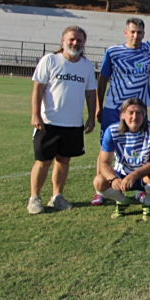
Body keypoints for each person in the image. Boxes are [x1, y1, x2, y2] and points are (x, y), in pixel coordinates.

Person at [91, 18, 150, 206]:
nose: (135, 36)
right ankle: (102, 190)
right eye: (132, 32)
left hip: (139, 110)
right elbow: (103, 79)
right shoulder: (113, 52)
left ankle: (140, 188)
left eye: (139, 32)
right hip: (114, 108)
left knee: (142, 147)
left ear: (144, 34)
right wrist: (99, 107)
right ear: (125, 33)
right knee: (105, 148)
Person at [28, 26, 96, 214]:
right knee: (43, 161)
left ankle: (57, 196)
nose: (75, 43)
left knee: (64, 161)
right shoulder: (50, 60)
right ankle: (34, 198)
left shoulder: (86, 65)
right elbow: (38, 89)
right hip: (48, 122)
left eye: (79, 40)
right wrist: (35, 115)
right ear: (63, 41)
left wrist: (91, 117)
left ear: (84, 43)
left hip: (73, 124)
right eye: (71, 39)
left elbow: (90, 93)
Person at [92, 98, 150, 219]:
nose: (134, 117)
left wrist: (134, 175)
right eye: (130, 112)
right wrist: (113, 179)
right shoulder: (112, 130)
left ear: (144, 115)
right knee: (98, 181)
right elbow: (104, 162)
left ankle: (147, 204)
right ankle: (122, 201)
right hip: (121, 174)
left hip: (143, 175)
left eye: (139, 113)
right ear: (122, 115)